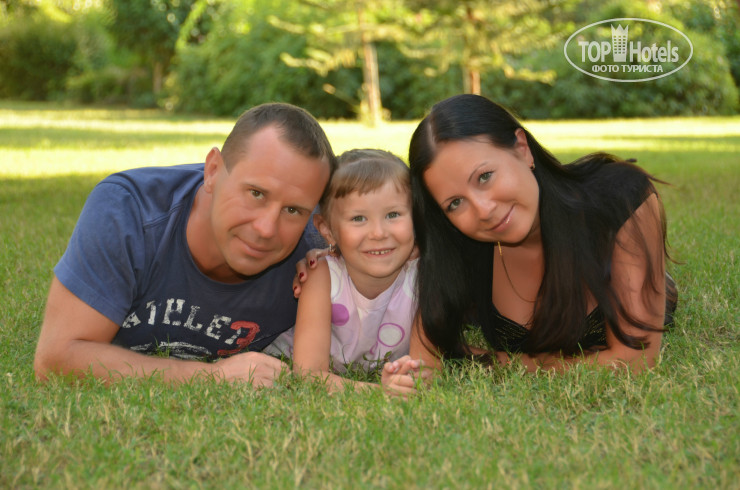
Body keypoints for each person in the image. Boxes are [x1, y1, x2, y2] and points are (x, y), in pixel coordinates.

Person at [33, 102, 337, 385]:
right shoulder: (128, 212)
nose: (266, 229)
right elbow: (56, 358)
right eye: (256, 193)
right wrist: (212, 376)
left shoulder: (322, 243)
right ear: (213, 171)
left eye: (293, 210)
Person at [406, 93, 677, 373]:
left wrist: (504, 362)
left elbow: (636, 361)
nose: (483, 210)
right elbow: (426, 359)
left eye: (485, 176)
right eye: (454, 203)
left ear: (522, 149)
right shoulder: (455, 239)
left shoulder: (620, 200)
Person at [266, 149, 421, 396]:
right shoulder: (322, 275)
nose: (379, 233)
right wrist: (380, 392)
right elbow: (309, 375)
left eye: (393, 215)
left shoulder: (422, 276)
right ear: (327, 230)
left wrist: (408, 378)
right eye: (358, 218)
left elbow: (425, 369)